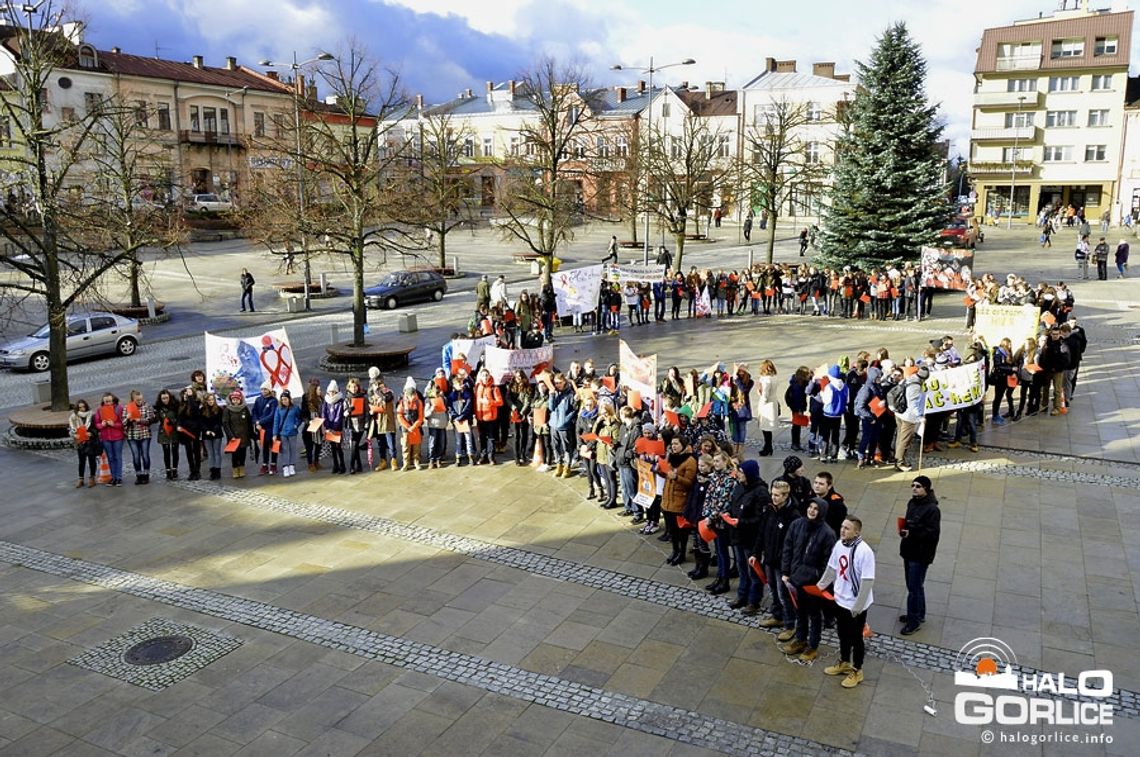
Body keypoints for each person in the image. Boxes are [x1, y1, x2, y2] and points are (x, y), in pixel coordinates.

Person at [818, 516, 876, 688]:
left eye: (847, 528)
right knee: (842, 633)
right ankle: (844, 661)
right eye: (842, 527)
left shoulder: (864, 552)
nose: (842, 530)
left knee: (856, 637)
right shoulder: (839, 545)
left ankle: (857, 670)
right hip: (840, 599)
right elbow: (832, 568)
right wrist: (819, 587)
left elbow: (867, 581)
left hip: (855, 603)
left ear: (856, 532)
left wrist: (858, 606)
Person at [778, 497, 837, 661]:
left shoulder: (828, 534)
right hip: (795, 579)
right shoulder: (797, 525)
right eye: (810, 507)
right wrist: (786, 571)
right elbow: (787, 549)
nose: (811, 510)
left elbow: (828, 563)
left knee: (814, 614)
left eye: (815, 508)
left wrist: (818, 580)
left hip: (812, 583)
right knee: (800, 611)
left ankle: (813, 646)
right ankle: (801, 640)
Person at [726, 460, 770, 614]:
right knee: (741, 567)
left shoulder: (761, 492)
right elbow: (734, 505)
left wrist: (741, 521)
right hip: (737, 534)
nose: (738, 474)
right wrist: (729, 515)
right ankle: (742, 595)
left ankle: (754, 601)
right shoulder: (739, 487)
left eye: (741, 472)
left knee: (754, 571)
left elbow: (760, 518)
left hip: (751, 538)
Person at [757, 480, 801, 630]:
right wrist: (757, 552)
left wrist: (786, 566)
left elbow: (793, 544)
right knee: (773, 590)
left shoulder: (793, 515)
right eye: (772, 494)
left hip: (782, 563)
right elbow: (762, 531)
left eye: (777, 495)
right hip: (769, 558)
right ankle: (777, 616)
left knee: (784, 594)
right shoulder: (770, 509)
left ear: (785, 496)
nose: (773, 498)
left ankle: (790, 624)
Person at [899, 475, 941, 635]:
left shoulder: (932, 510)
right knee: (914, 585)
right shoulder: (912, 502)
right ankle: (918, 613)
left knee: (914, 589)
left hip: (920, 554)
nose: (914, 488)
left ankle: (914, 620)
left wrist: (912, 532)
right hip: (909, 550)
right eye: (913, 485)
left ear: (926, 489)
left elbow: (932, 533)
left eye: (918, 486)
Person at [122, 389, 155, 485]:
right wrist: (128, 418)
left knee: (145, 455)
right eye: (137, 400)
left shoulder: (147, 406)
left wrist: (140, 420)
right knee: (136, 456)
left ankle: (146, 475)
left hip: (145, 434)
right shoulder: (127, 407)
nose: (140, 401)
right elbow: (123, 423)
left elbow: (151, 419)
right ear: (133, 400)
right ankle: (139, 476)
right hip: (132, 435)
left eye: (141, 399)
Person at [69, 399, 100, 488]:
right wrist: (75, 435)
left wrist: (91, 433)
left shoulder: (91, 415)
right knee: (81, 461)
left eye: (83, 407)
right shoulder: (73, 417)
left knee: (91, 460)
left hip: (90, 441)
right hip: (80, 441)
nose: (82, 409)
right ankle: (81, 479)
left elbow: (96, 428)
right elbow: (71, 429)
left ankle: (92, 478)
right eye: (80, 407)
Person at [96, 393, 125, 486]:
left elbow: (123, 423)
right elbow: (96, 423)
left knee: (118, 457)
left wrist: (114, 424)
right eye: (106, 401)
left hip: (117, 437)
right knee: (110, 458)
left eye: (109, 401)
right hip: (106, 437)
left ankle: (119, 477)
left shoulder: (119, 408)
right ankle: (113, 477)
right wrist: (102, 425)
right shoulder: (100, 410)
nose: (108, 403)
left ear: (113, 400)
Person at [222, 390, 253, 478]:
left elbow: (249, 422)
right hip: (234, 437)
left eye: (237, 399)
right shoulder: (227, 410)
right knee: (235, 455)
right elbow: (225, 424)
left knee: (243, 453)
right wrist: (230, 435)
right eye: (234, 400)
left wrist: (252, 434)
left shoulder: (244, 408)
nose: (235, 401)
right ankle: (235, 469)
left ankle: (242, 468)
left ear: (240, 400)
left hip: (244, 436)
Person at [397, 377, 425, 470]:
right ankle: (406, 462)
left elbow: (421, 416)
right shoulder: (402, 403)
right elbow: (399, 415)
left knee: (417, 445)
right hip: (406, 428)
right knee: (406, 445)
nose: (412, 397)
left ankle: (416, 461)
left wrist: (415, 425)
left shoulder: (419, 402)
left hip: (415, 426)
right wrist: (408, 426)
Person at [273, 390, 302, 477]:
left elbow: (299, 418)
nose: (284, 401)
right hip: (282, 433)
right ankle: (285, 466)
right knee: (285, 450)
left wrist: (296, 425)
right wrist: (274, 434)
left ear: (289, 399)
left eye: (285, 399)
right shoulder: (278, 409)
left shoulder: (295, 408)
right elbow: (276, 421)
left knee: (292, 449)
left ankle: (292, 465)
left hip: (292, 432)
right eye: (282, 399)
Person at [177, 387, 204, 480]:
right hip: (185, 432)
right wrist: (179, 426)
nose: (186, 396)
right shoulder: (181, 405)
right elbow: (179, 417)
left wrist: (190, 398)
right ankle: (192, 470)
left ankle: (197, 470)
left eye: (187, 394)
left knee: (196, 451)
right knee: (189, 452)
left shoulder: (195, 404)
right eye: (184, 394)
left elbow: (195, 411)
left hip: (194, 431)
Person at [252, 381, 278, 475]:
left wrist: (260, 422)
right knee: (265, 447)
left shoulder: (273, 401)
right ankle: (265, 464)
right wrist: (256, 422)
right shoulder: (258, 400)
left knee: (273, 446)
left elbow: (272, 415)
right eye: (262, 389)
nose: (263, 391)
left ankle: (273, 464)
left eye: (265, 389)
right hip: (261, 428)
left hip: (270, 427)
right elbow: (254, 412)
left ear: (269, 390)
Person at [321, 380, 347, 474]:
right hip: (329, 429)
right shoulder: (326, 402)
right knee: (332, 448)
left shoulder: (340, 402)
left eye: (333, 392)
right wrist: (327, 426)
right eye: (330, 391)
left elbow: (338, 416)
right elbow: (324, 414)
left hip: (337, 429)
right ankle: (335, 465)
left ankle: (342, 465)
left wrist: (334, 428)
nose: (331, 393)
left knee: (338, 448)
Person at [200, 393, 224, 480]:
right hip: (206, 434)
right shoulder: (202, 410)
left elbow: (219, 422)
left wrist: (214, 431)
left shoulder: (218, 409)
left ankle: (218, 470)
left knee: (216, 452)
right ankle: (212, 471)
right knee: (210, 453)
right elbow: (201, 422)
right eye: (209, 400)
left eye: (212, 400)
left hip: (216, 433)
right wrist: (206, 430)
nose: (211, 402)